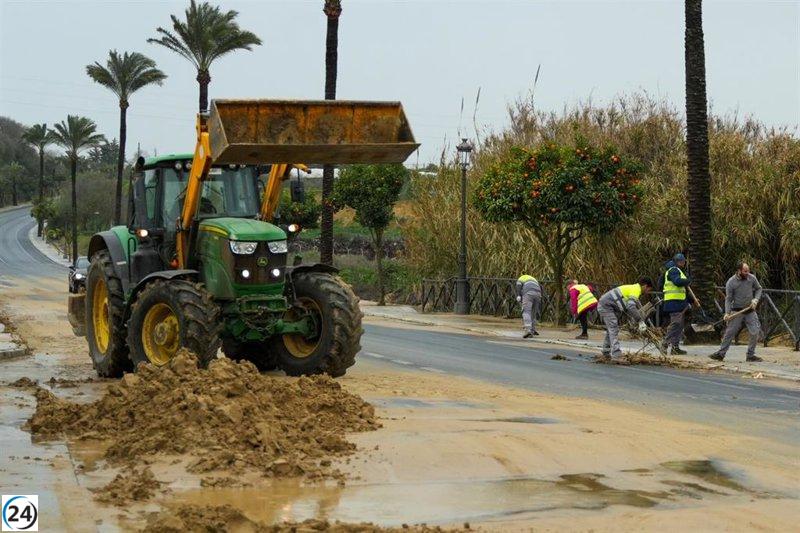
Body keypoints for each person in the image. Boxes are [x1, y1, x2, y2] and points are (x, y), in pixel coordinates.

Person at [710, 263, 763, 362]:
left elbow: (759, 289)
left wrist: (755, 299)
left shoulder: (752, 278)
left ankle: (750, 355)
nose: (747, 273)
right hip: (736, 311)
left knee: (755, 331)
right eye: (745, 271)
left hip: (750, 309)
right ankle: (721, 354)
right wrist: (727, 313)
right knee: (730, 333)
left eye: (748, 271)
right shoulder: (731, 282)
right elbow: (728, 299)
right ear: (739, 271)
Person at [597, 277, 654, 359]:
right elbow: (631, 307)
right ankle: (616, 354)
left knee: (611, 328)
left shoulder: (633, 288)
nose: (648, 292)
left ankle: (606, 351)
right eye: (649, 289)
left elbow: (629, 307)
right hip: (606, 306)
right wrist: (640, 321)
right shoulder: (635, 290)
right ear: (645, 286)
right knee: (613, 328)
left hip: (609, 305)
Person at [660, 253, 700, 355]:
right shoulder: (673, 270)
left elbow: (683, 291)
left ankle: (675, 347)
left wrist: (692, 300)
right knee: (676, 324)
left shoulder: (678, 271)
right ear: (678, 261)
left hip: (679, 303)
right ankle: (665, 343)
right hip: (673, 303)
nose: (683, 263)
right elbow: (677, 282)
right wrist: (688, 280)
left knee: (679, 325)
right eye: (682, 262)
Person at [516, 274, 543, 338]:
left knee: (526, 311)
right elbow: (540, 287)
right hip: (538, 294)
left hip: (528, 293)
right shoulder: (534, 279)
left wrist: (518, 295)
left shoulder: (520, 278)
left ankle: (528, 330)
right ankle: (533, 329)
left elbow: (518, 286)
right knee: (533, 313)